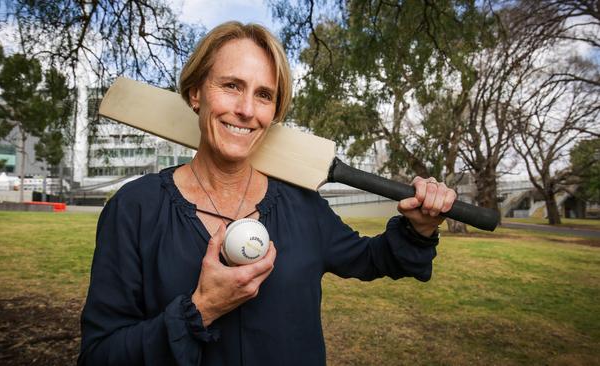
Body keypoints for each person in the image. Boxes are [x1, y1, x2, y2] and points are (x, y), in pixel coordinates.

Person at [78, 21, 457, 366]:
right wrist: (200, 309)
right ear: (196, 93)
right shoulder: (135, 209)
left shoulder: (301, 205)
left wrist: (418, 229)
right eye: (231, 86)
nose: (246, 110)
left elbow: (374, 258)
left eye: (264, 95)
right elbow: (100, 356)